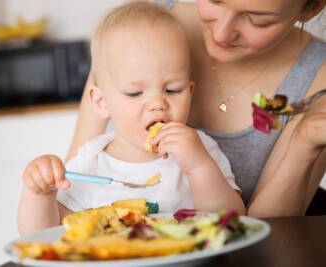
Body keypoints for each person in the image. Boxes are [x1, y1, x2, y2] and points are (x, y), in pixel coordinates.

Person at [67, 0, 326, 218]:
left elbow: (256, 236)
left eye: (257, 20)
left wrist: (305, 142)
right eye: (215, 0)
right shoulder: (140, 27)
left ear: (311, 8)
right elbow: (72, 192)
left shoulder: (318, 77)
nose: (222, 32)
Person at [17, 1, 245, 235]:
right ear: (101, 102)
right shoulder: (91, 162)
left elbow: (234, 222)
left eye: (173, 90)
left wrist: (199, 166)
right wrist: (40, 195)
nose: (158, 104)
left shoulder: (200, 149)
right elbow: (44, 234)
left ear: (191, 92)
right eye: (135, 93)